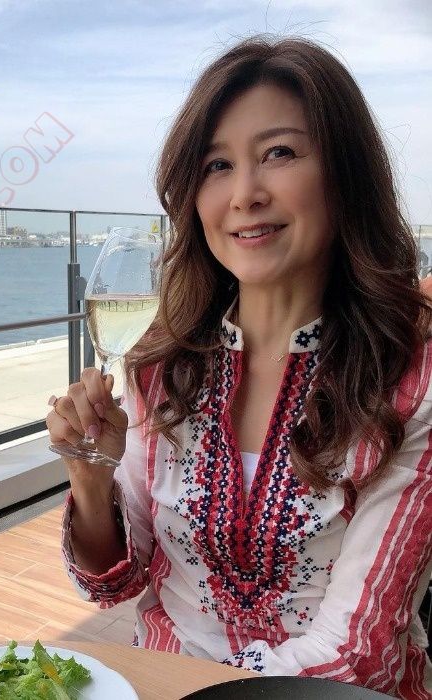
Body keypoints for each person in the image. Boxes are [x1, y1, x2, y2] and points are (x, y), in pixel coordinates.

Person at [46, 35, 432, 699]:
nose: (245, 194)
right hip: (160, 683)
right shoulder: (162, 365)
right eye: (217, 165)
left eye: (279, 153)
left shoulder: (410, 378)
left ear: (344, 175)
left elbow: (358, 652)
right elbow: (116, 580)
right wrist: (90, 478)